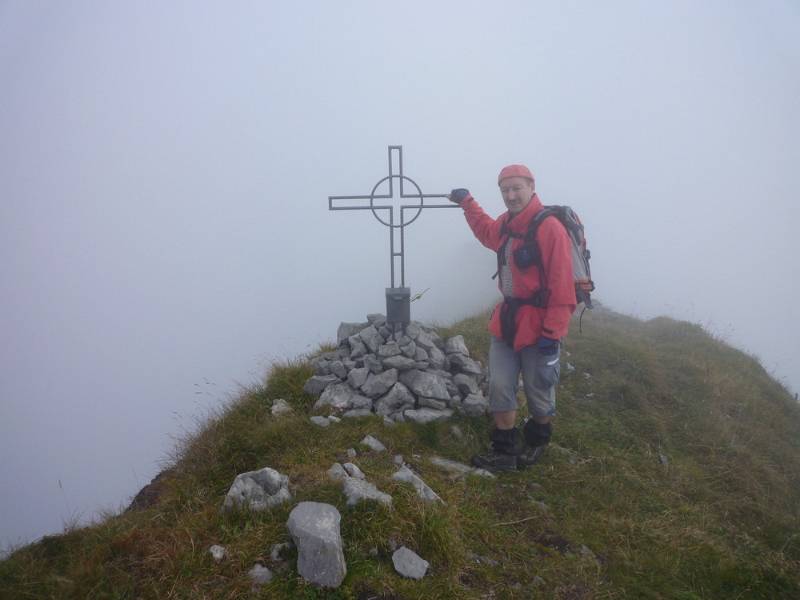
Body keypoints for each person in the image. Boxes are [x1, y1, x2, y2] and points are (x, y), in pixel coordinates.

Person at [449, 164, 576, 472]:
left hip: (540, 325)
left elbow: (562, 286)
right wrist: (468, 203)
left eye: (516, 188)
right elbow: (485, 231)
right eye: (505, 190)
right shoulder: (506, 224)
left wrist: (552, 333)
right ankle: (504, 450)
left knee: (538, 387)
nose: (511, 195)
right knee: (500, 385)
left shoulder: (550, 228)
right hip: (507, 322)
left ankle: (536, 443)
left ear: (532, 186)